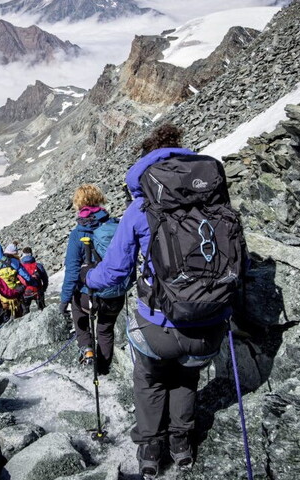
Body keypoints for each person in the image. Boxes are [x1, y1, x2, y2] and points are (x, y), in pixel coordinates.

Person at [82, 123, 238, 477]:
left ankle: (151, 451)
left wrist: (87, 278)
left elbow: (115, 273)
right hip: (210, 322)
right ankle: (182, 445)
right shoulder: (214, 200)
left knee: (150, 380)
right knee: (187, 377)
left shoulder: (141, 208)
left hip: (157, 325)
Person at [60, 184, 128, 373]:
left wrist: (64, 300)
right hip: (114, 293)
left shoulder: (77, 234)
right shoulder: (116, 225)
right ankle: (104, 370)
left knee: (77, 310)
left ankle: (87, 350)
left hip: (87, 296)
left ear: (78, 204)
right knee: (105, 330)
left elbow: (72, 271)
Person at [0, 242, 33, 318]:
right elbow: (27, 277)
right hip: (17, 294)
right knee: (21, 317)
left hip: (3, 299)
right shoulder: (13, 261)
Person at [20, 246, 49, 312]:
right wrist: (44, 288)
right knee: (42, 310)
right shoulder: (38, 265)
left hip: (25, 292)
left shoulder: (20, 267)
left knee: (25, 312)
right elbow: (45, 278)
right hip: (38, 291)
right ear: (31, 254)